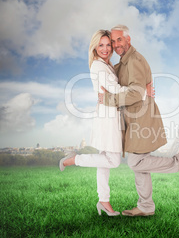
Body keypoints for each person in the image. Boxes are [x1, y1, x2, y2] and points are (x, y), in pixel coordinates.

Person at [99, 24, 179, 217]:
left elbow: (135, 93)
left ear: (128, 40)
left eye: (119, 39)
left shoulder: (135, 60)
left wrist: (107, 99)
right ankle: (146, 206)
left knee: (135, 162)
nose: (115, 44)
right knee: (140, 162)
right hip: (135, 118)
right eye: (112, 41)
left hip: (141, 119)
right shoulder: (124, 63)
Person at [59, 29, 152, 216]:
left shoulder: (106, 65)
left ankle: (103, 201)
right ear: (94, 47)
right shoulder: (98, 67)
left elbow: (114, 91)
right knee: (113, 161)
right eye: (100, 45)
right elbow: (116, 90)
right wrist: (142, 91)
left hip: (110, 113)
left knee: (104, 162)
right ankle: (73, 160)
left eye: (108, 44)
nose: (105, 48)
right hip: (108, 117)